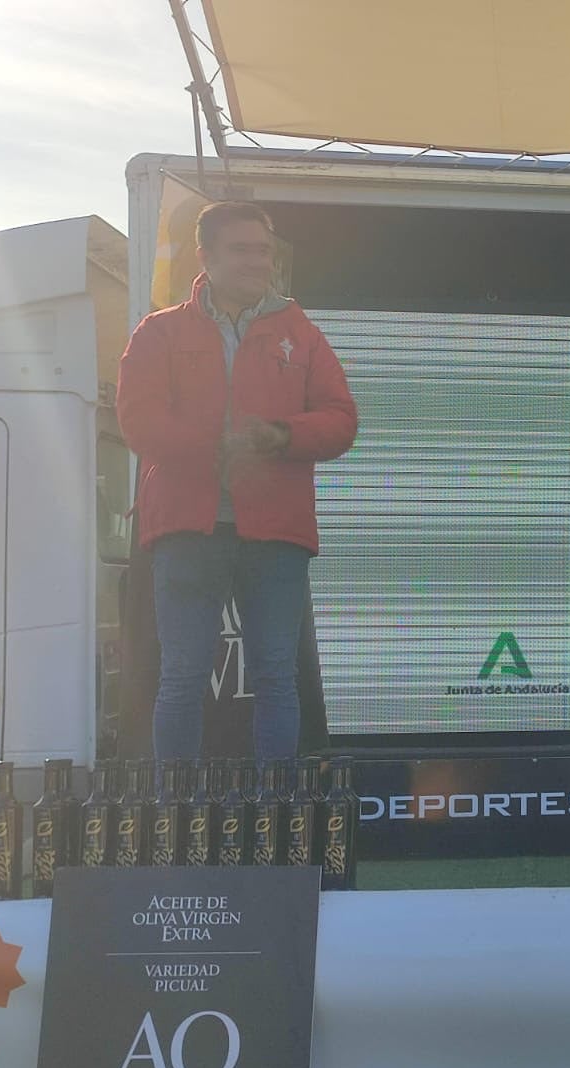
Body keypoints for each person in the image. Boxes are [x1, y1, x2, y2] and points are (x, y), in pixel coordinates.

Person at [116, 201, 358, 764]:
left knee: (277, 675)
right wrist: (219, 446)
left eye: (264, 251)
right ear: (206, 256)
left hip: (276, 531)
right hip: (186, 529)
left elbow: (341, 419)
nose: (258, 262)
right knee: (181, 675)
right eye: (242, 250)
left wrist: (278, 435)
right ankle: (177, 817)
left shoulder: (302, 333)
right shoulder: (160, 331)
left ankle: (274, 814)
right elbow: (137, 420)